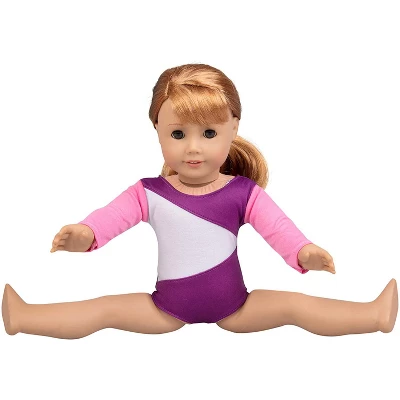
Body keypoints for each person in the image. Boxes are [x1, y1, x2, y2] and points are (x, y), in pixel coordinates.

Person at [2, 63, 398, 339]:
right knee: (104, 310)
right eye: (178, 134)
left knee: (295, 307)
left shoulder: (243, 192)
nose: (193, 148)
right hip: (165, 309)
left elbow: (279, 229)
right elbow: (110, 217)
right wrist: (85, 234)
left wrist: (304, 252)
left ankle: (374, 315)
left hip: (237, 308)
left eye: (209, 133)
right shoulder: (148, 192)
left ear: (233, 128)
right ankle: (23, 317)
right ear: (157, 128)